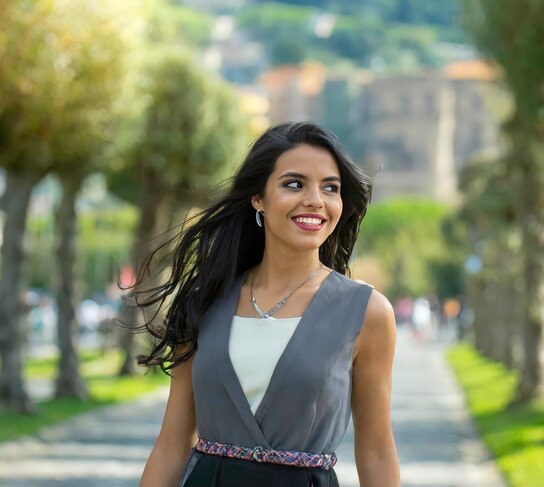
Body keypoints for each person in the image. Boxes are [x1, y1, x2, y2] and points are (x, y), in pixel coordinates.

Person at [133, 122, 399, 486]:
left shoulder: (367, 312)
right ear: (258, 197)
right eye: (294, 184)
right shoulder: (206, 301)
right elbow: (172, 444)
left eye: (330, 188)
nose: (315, 200)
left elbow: (377, 453)